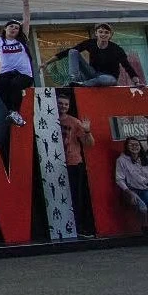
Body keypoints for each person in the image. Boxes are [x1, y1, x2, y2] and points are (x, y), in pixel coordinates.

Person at [43, 23, 145, 88]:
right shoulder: (90, 43)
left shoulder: (116, 49)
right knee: (73, 52)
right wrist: (47, 63)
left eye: (106, 32)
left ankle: (81, 85)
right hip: (93, 73)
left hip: (109, 78)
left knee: (101, 79)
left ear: (110, 35)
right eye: (101, 32)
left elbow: (127, 67)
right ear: (96, 33)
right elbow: (68, 52)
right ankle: (74, 80)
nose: (103, 34)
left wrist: (136, 83)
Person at [56, 94, 97, 238]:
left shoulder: (74, 122)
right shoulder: (50, 119)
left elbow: (89, 144)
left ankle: (79, 227)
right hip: (55, 163)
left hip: (73, 163)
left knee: (76, 197)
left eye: (66, 104)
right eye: (60, 103)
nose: (63, 106)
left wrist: (87, 130)